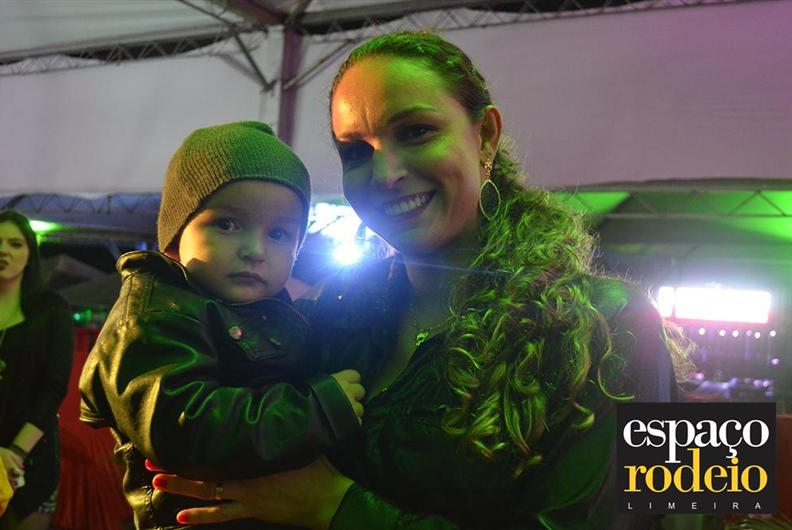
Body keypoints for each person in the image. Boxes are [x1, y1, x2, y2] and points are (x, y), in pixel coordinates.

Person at [151, 32, 691, 529]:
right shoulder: (335, 311)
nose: (386, 174)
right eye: (356, 152)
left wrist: (338, 509)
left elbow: (690, 500)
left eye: (415, 132)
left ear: (486, 136)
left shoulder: (614, 323)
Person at [78, 121, 365, 530]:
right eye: (228, 224)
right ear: (177, 234)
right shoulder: (154, 315)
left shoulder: (265, 311)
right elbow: (184, 428)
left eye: (279, 233)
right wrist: (317, 410)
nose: (254, 250)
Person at [0, 210, 74, 530]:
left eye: (15, 244)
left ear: (30, 255)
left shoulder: (51, 310)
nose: (3, 251)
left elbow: (54, 388)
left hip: (30, 459)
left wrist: (13, 453)